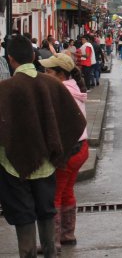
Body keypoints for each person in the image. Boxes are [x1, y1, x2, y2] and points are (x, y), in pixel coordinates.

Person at [0, 35, 86, 258]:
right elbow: (75, 122)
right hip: (47, 165)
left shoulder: (4, 89)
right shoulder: (51, 85)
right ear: (33, 56)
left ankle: (26, 254)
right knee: (46, 211)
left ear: (10, 59)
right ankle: (51, 252)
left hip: (12, 167)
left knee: (23, 216)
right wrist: (59, 153)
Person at [40, 54, 89, 252]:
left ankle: (53, 242)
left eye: (49, 71)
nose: (45, 74)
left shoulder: (61, 93)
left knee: (54, 195)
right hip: (81, 148)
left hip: (68, 150)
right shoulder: (74, 88)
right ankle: (68, 234)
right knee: (67, 191)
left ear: (61, 74)